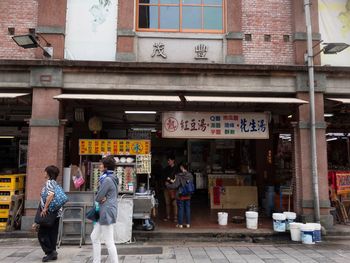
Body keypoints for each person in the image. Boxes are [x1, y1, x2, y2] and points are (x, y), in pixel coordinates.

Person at [91, 155, 119, 263]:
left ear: (106, 167)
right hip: (106, 210)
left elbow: (98, 197)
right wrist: (102, 197)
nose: (99, 166)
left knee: (109, 241)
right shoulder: (112, 177)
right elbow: (101, 197)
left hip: (106, 211)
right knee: (94, 237)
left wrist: (101, 197)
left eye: (101, 164)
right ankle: (96, 261)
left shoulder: (107, 179)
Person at [32, 165, 61, 262]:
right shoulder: (55, 183)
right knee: (52, 233)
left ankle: (49, 252)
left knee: (42, 234)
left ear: (49, 174)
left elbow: (51, 195)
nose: (44, 173)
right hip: (56, 213)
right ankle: (53, 252)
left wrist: (45, 208)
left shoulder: (49, 183)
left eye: (45, 172)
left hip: (48, 213)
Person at [166, 162, 194, 228]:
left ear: (182, 167)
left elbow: (175, 185)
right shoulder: (190, 175)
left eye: (180, 167)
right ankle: (188, 224)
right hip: (188, 194)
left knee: (180, 208)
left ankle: (180, 224)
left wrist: (168, 185)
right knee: (187, 208)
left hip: (181, 194)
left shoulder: (179, 175)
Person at [162, 155, 180, 222]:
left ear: (173, 161)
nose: (168, 162)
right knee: (167, 203)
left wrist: (171, 183)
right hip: (166, 188)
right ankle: (168, 216)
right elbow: (163, 177)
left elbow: (178, 179)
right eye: (168, 160)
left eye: (169, 160)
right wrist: (165, 182)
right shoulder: (166, 169)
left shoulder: (177, 169)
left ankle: (175, 217)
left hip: (174, 189)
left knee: (174, 204)